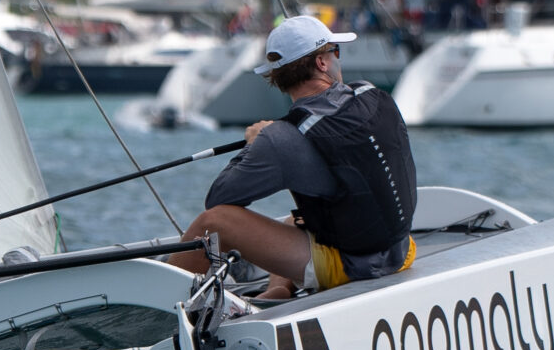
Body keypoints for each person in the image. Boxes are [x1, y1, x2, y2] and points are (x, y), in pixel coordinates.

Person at [179, 15, 418, 299]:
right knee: (297, 219)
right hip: (403, 250)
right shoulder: (371, 94)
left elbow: (218, 199)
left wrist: (255, 144)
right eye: (335, 51)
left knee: (212, 223)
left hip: (349, 267)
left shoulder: (279, 138)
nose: (338, 59)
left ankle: (169, 308)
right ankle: (278, 289)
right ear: (321, 63)